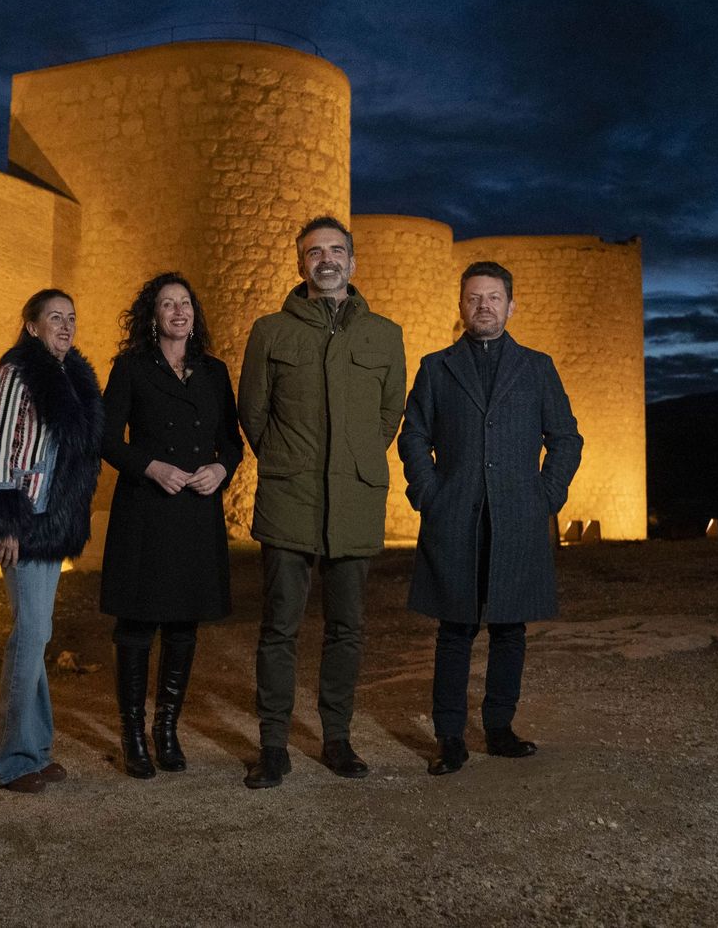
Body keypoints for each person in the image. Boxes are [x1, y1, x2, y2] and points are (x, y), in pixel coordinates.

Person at [237, 216, 406, 789]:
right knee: (279, 626)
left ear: (353, 264)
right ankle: (274, 745)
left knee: (347, 628)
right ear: (300, 263)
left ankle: (337, 738)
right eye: (314, 252)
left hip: (354, 500)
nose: (326, 260)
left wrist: (354, 459)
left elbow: (389, 414)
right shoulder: (270, 331)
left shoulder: (384, 335)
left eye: (337, 251)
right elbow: (253, 414)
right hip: (290, 498)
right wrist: (288, 459)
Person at [397, 260, 583, 775]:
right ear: (461, 305)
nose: (484, 305)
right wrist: (430, 493)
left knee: (509, 629)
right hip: (455, 514)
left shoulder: (537, 367)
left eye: (493, 297)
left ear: (510, 305)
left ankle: (499, 728)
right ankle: (450, 736)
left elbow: (566, 438)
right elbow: (413, 435)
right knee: (454, 630)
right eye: (474, 297)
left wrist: (545, 497)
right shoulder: (437, 367)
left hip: (518, 517)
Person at [100, 273, 243, 778]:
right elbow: (105, 436)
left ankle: (167, 730)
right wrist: (149, 467)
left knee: (183, 625)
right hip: (146, 507)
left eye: (185, 303)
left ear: (194, 314)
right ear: (153, 316)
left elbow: (232, 440)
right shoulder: (132, 368)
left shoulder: (215, 371)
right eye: (167, 304)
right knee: (137, 625)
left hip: (196, 510)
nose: (178, 311)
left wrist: (221, 469)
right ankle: (133, 735)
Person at [0, 289, 104, 794]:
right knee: (29, 634)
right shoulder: (18, 373)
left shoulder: (69, 376)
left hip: (52, 524)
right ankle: (13, 759)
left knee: (39, 633)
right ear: (31, 326)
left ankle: (35, 747)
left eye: (71, 317)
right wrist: (4, 521)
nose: (65, 326)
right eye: (54, 318)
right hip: (24, 523)